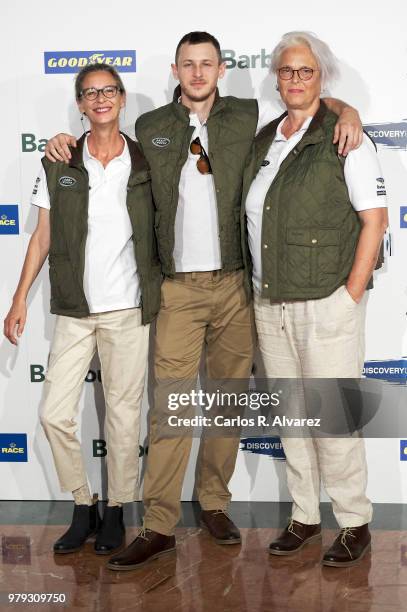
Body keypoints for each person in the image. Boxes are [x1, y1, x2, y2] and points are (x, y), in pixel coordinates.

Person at [44, 31, 363, 571]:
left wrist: (347, 107)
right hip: (176, 289)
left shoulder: (245, 115)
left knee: (224, 402)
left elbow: (306, 100)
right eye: (188, 64)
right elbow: (105, 149)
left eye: (207, 64)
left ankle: (214, 502)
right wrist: (64, 142)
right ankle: (159, 523)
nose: (197, 73)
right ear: (175, 70)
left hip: (237, 284)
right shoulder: (150, 128)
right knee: (170, 408)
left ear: (221, 69)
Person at [243, 31, 388, 567]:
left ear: (320, 77)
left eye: (305, 71)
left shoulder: (345, 135)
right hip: (270, 300)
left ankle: (353, 521)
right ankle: (304, 515)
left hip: (326, 299)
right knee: (292, 417)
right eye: (286, 71)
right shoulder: (265, 139)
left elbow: (374, 221)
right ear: (276, 77)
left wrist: (349, 296)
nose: (295, 80)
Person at [3, 64, 161, 556]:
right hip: (74, 309)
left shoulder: (144, 161)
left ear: (121, 98)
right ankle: (82, 504)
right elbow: (42, 235)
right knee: (54, 415)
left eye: (107, 91)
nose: (99, 99)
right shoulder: (58, 160)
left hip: (127, 310)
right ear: (80, 104)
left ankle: (116, 509)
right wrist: (18, 298)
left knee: (122, 417)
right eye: (89, 93)